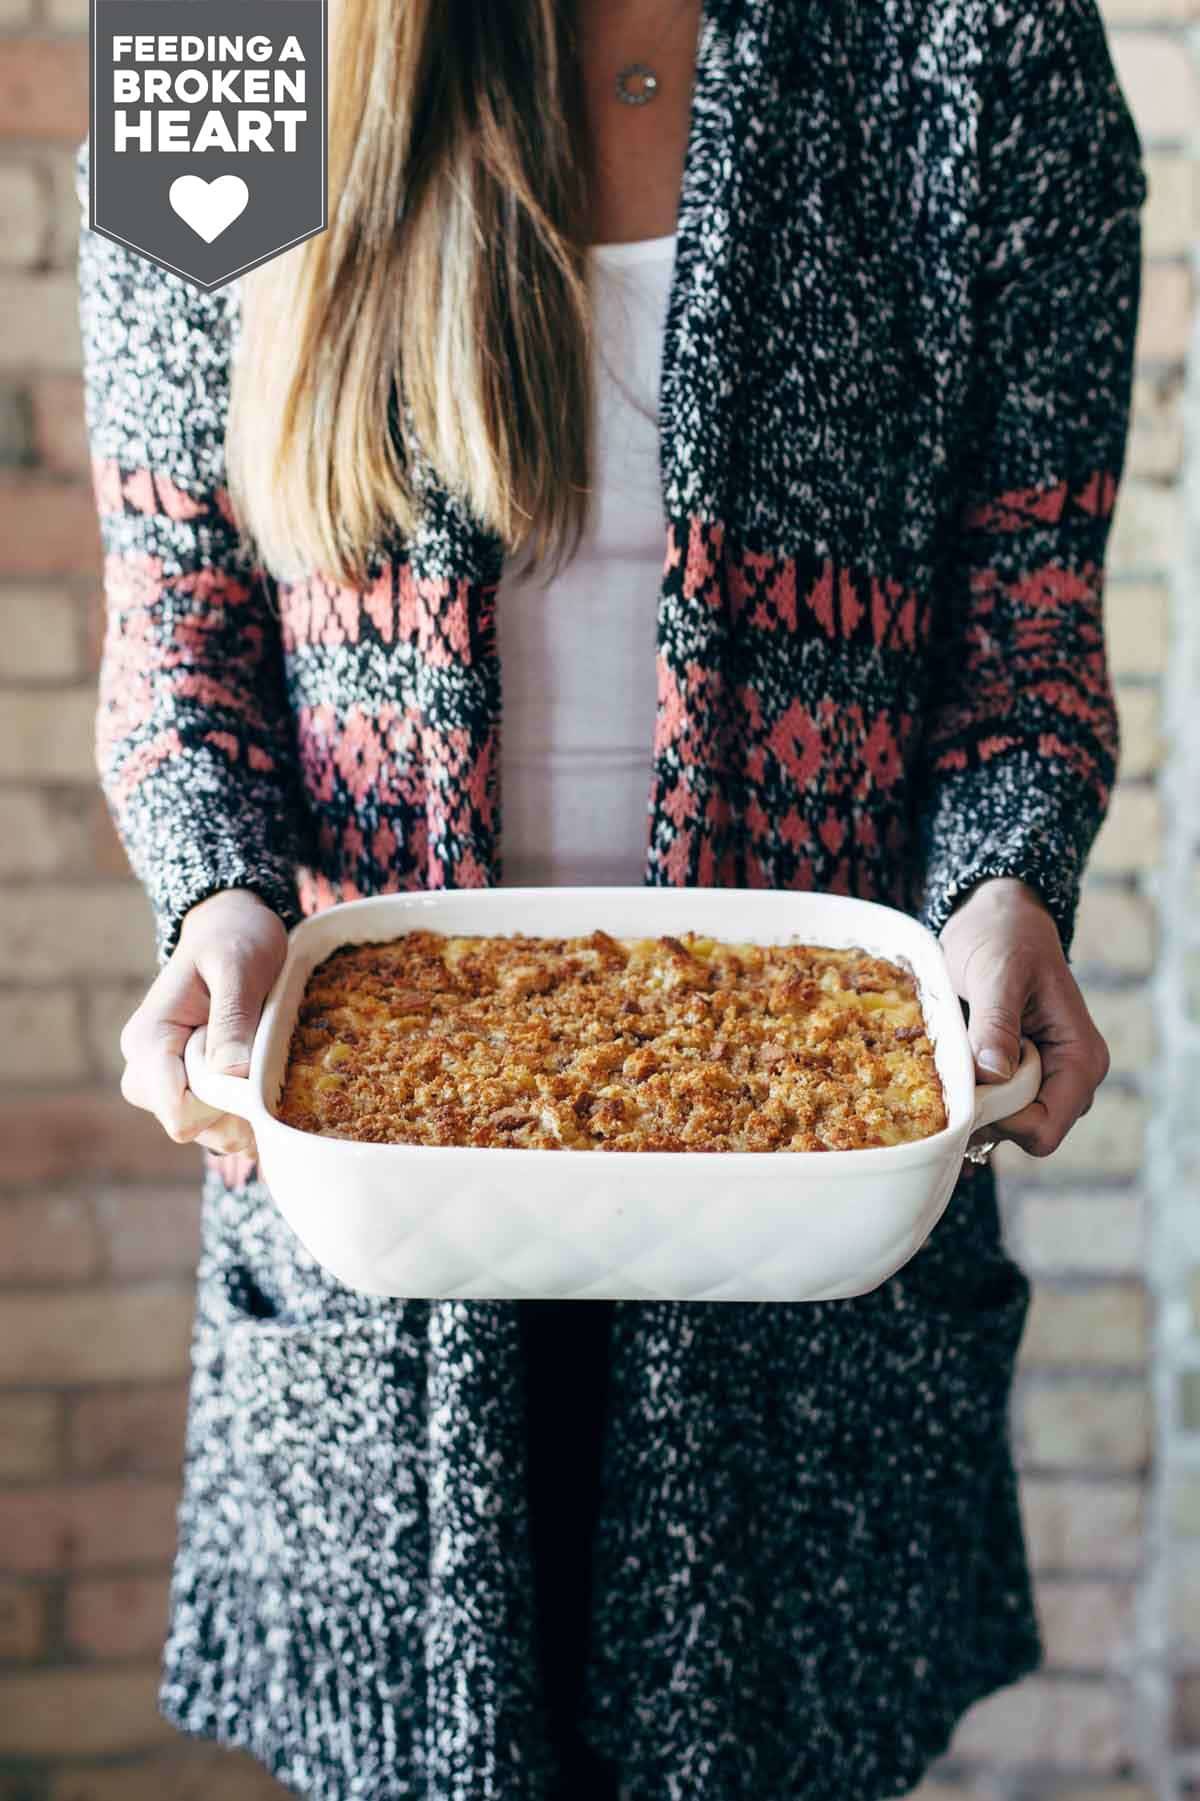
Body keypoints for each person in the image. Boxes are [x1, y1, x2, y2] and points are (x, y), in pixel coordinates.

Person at [75, 0, 1144, 1794]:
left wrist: (1002, 887)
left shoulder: (987, 37)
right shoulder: (224, 23)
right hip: (372, 1190)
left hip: (815, 1202)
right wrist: (215, 905)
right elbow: (177, 589)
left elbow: (1025, 601)